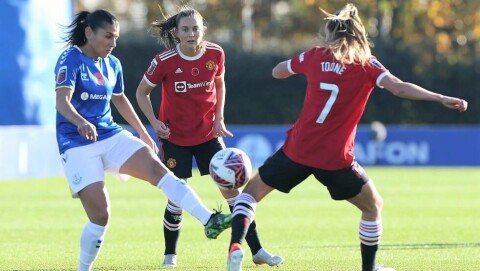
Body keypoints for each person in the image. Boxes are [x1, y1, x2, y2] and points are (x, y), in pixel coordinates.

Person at [226, 3, 468, 271]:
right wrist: (440, 97)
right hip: (335, 159)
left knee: (249, 195)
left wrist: (298, 64)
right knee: (373, 206)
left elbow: (277, 71)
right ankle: (370, 268)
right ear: (359, 35)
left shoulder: (315, 55)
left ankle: (236, 245)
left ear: (330, 35)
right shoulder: (366, 65)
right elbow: (399, 89)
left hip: (298, 150)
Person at [54, 9, 232, 271]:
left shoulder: (112, 63)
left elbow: (120, 98)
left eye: (116, 37)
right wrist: (80, 122)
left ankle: (209, 220)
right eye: (108, 37)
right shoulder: (70, 59)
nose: (113, 44)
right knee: (101, 216)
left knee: (158, 170)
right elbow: (62, 102)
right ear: (89, 33)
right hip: (77, 142)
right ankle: (83, 268)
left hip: (109, 134)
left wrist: (142, 132)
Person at [136, 6, 283, 269]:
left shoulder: (215, 53)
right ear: (177, 33)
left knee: (234, 195)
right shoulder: (164, 61)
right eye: (185, 29)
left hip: (207, 136)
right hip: (174, 138)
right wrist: (155, 123)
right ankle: (170, 257)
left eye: (195, 28)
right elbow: (141, 93)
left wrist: (219, 118)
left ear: (203, 29)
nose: (191, 33)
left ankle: (257, 250)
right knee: (176, 198)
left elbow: (219, 83)